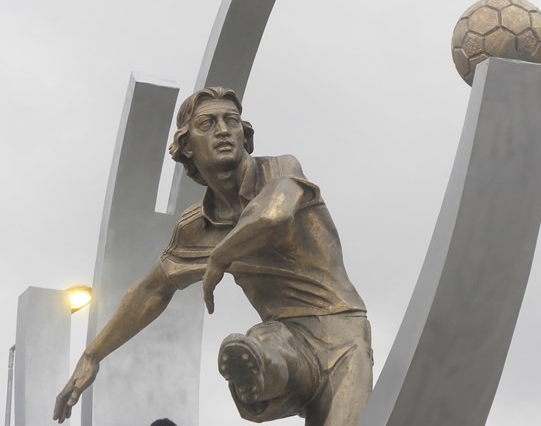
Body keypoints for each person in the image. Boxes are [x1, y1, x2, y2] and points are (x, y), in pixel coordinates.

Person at [53, 87, 372, 425]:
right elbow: (151, 290)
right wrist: (92, 355)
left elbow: (273, 216)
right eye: (208, 124)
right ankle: (254, 370)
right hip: (285, 336)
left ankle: (259, 368)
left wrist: (220, 257)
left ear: (244, 134)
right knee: (267, 346)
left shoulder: (280, 170)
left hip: (343, 335)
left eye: (231, 121)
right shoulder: (196, 227)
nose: (223, 130)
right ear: (187, 145)